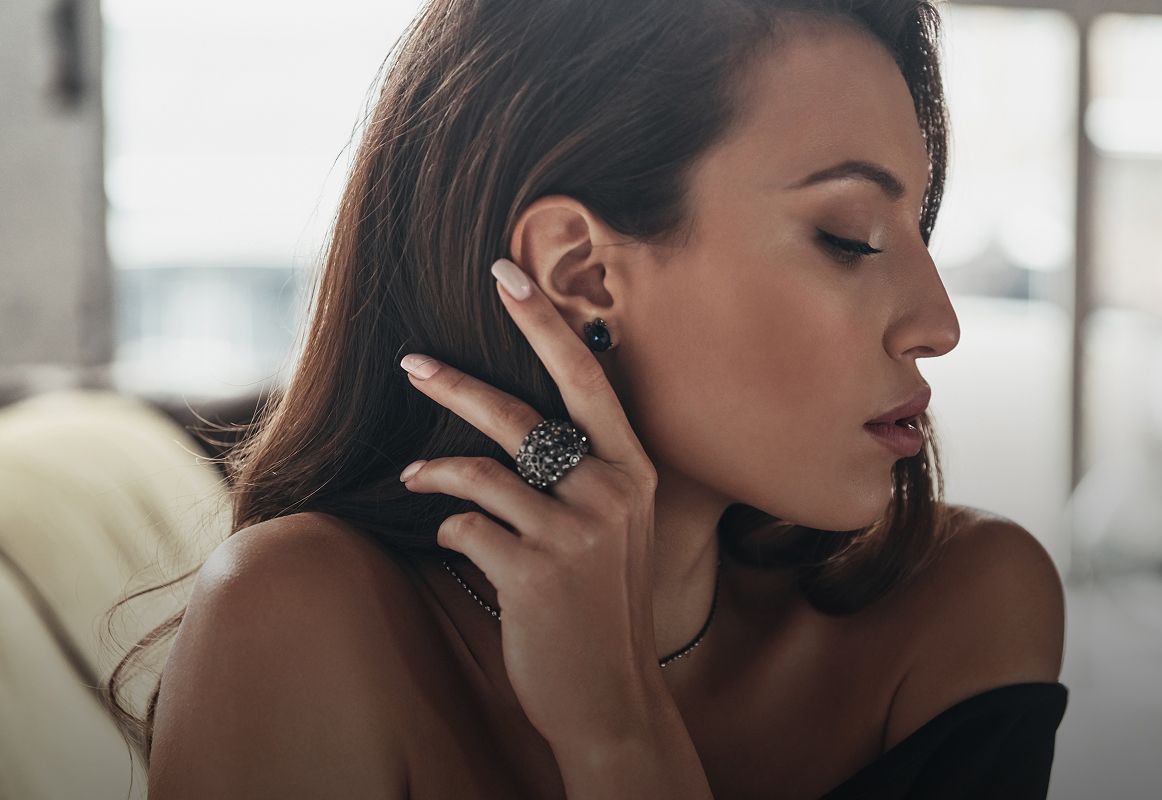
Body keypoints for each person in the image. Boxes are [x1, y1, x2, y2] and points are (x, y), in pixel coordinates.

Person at [104, 0, 1068, 796]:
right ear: (581, 272)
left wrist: (620, 735)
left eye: (921, 227)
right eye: (851, 236)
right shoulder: (301, 624)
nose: (938, 322)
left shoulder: (961, 609)